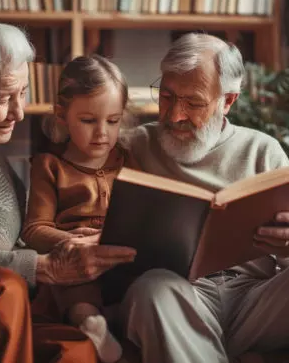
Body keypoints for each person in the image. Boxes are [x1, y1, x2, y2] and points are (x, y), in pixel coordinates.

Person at [0, 20, 136, 363]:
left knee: (76, 350)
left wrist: (67, 248)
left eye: (22, 93)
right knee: (5, 289)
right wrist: (41, 267)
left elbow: (13, 245)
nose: (19, 112)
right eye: (3, 97)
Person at [117, 32, 289, 363]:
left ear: (228, 100)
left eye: (193, 102)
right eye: (166, 96)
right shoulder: (134, 144)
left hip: (255, 298)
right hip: (181, 295)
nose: (174, 115)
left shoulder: (264, 151)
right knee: (150, 290)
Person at [22, 55, 133, 363]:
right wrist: (67, 242)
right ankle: (90, 324)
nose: (102, 133)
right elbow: (33, 230)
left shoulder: (128, 161)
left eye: (113, 121)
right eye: (88, 121)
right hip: (76, 261)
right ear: (62, 115)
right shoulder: (49, 166)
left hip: (123, 259)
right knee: (71, 278)